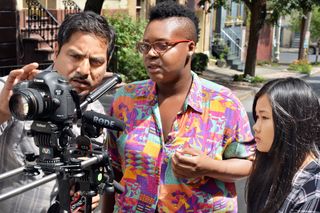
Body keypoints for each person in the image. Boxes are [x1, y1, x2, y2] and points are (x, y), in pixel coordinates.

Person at [102, 1, 254, 212]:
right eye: (146, 46)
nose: (151, 54)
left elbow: (248, 163)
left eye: (162, 45)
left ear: (190, 47)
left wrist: (208, 167)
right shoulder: (125, 100)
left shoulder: (224, 103)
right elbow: (113, 169)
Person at [0, 11, 116, 212]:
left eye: (96, 61)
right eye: (75, 56)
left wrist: (87, 190)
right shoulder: (12, 91)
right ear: (56, 51)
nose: (84, 70)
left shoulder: (94, 114)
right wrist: (2, 112)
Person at [247, 77, 320, 212]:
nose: (256, 127)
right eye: (257, 117)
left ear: (292, 122)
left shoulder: (313, 190)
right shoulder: (273, 168)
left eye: (264, 117)